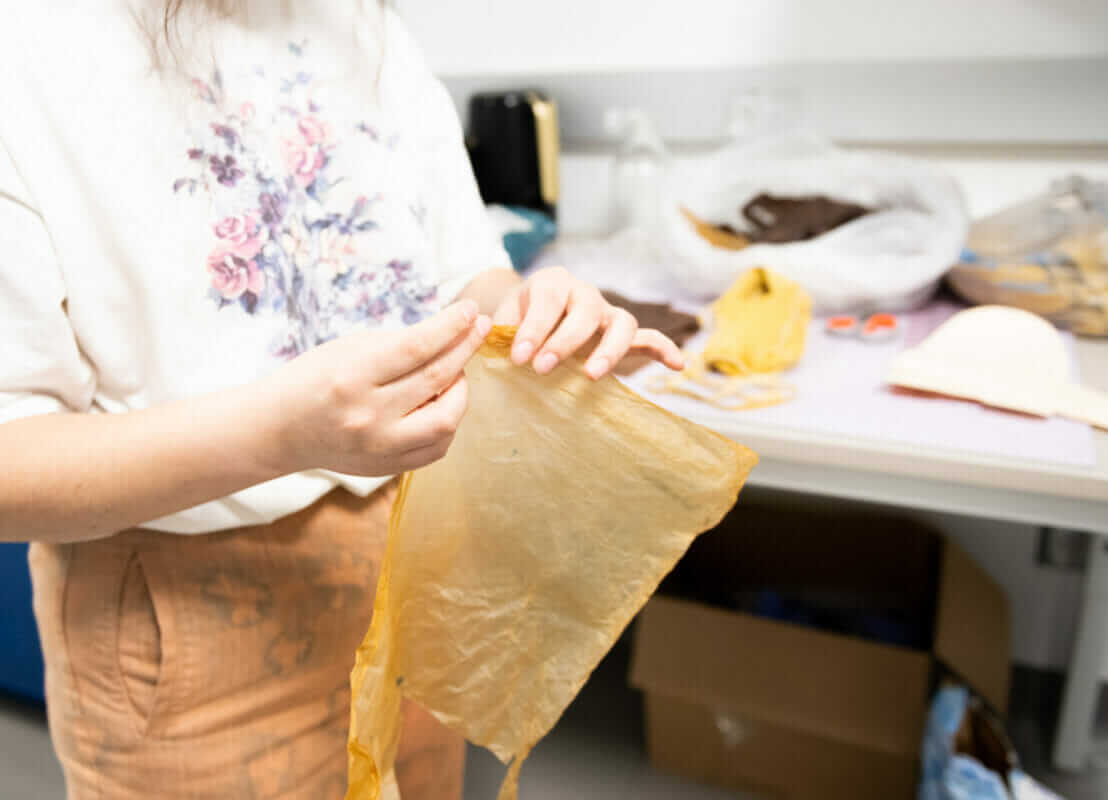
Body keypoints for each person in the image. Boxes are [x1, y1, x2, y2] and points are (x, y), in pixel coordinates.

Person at [0, 2, 684, 798]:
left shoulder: (365, 26)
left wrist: (536, 314)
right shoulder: (28, 54)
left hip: (421, 570)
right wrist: (280, 435)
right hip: (191, 625)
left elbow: (465, 278)